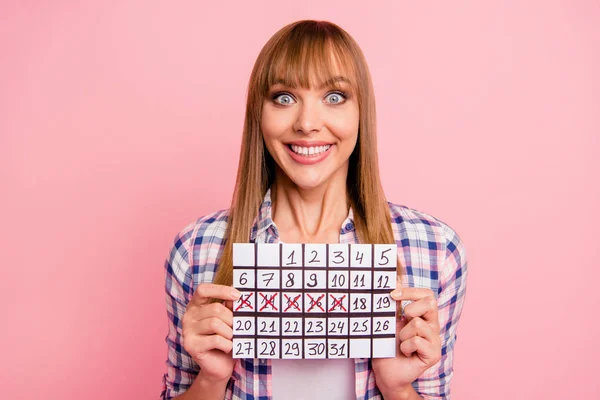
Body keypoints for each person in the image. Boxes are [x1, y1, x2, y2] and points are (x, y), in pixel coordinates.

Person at [160, 19, 468, 400]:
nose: (307, 124)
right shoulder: (197, 250)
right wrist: (210, 379)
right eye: (284, 97)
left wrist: (398, 387)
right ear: (259, 113)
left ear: (361, 113)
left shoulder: (435, 249)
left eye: (335, 97)